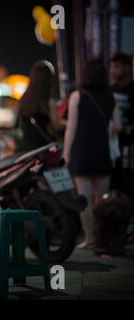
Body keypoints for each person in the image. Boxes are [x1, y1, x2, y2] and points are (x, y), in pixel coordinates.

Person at [63, 59, 122, 249]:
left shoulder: (78, 96)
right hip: (102, 153)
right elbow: (118, 126)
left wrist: (66, 154)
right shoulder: (110, 97)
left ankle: (89, 239)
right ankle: (102, 239)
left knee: (85, 199)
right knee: (102, 201)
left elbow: (71, 128)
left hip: (82, 153)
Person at [15, 60, 62, 152]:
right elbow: (57, 127)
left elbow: (19, 126)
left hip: (24, 149)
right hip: (42, 150)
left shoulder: (24, 99)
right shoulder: (48, 102)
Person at [109, 53, 134, 200]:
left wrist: (127, 129)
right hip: (113, 145)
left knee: (129, 185)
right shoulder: (110, 90)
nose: (113, 70)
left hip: (129, 145)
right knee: (114, 185)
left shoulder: (132, 89)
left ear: (127, 67)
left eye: (117, 66)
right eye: (111, 66)